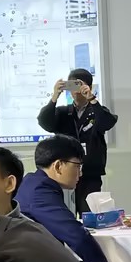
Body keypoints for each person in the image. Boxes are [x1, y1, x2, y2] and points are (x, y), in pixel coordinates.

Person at [16, 134, 131, 262]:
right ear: (58, 166)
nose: (80, 174)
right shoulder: (41, 192)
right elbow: (77, 237)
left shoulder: (34, 183)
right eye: (77, 166)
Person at [37, 69, 118, 212]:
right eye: (72, 86)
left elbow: (107, 122)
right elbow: (45, 122)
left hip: (90, 172)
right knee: (62, 211)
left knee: (89, 211)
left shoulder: (97, 111)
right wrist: (55, 96)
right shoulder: (63, 112)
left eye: (79, 85)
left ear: (89, 87)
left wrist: (91, 98)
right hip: (64, 172)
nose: (75, 91)